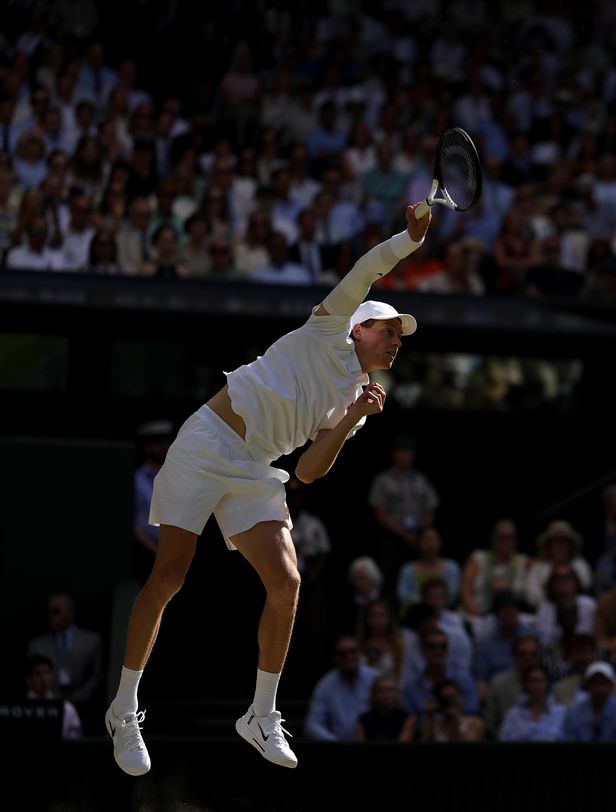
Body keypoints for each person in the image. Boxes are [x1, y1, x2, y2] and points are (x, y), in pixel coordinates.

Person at [105, 204, 430, 775]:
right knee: (170, 574)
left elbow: (307, 472)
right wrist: (410, 239)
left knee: (287, 582)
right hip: (208, 443)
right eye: (388, 330)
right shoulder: (326, 326)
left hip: (257, 467)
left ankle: (260, 714)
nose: (395, 341)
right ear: (358, 328)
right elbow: (366, 270)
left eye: (400, 336)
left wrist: (354, 418)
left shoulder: (360, 396)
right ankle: (124, 709)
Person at [369, 434, 440, 587]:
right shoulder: (384, 480)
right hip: (393, 539)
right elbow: (380, 513)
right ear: (394, 454)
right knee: (391, 579)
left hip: (418, 538)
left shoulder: (420, 479)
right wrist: (403, 534)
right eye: (402, 452)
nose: (406, 456)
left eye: (409, 452)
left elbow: (430, 507)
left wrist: (421, 531)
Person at [27, 593, 104, 722]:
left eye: (56, 611)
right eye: (49, 612)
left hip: (84, 709)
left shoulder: (91, 641)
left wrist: (77, 698)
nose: (51, 616)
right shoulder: (37, 645)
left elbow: (96, 676)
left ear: (70, 613)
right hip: (49, 709)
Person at [304, 636, 380, 743]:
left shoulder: (375, 678)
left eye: (353, 651)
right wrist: (336, 743)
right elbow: (312, 725)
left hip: (374, 744)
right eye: (342, 654)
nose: (348, 657)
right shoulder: (325, 686)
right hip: (338, 747)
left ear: (360, 653)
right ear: (334, 658)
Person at [460, 519, 528, 618]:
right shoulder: (478, 558)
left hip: (509, 619)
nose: (506, 542)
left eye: (510, 538)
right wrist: (477, 613)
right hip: (477, 615)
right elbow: (465, 591)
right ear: (493, 539)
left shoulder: (524, 562)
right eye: (501, 538)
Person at [132, 420, 174, 580]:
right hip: (147, 552)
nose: (164, 447)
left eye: (166, 443)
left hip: (175, 550)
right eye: (158, 443)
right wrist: (156, 551)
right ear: (146, 447)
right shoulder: (136, 479)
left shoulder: (174, 477)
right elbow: (132, 522)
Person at [561, 662, 616, 742]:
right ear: (587, 686)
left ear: (611, 685)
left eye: (604, 683)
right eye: (594, 683)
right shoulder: (574, 713)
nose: (599, 689)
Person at [395, 526, 461, 609]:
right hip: (414, 611)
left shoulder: (451, 567)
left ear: (440, 542)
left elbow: (452, 594)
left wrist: (435, 604)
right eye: (426, 540)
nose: (430, 544)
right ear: (418, 543)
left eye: (433, 539)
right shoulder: (407, 569)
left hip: (444, 611)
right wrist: (426, 603)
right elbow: (402, 595)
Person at [499, 664, 565, 742]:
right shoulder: (513, 715)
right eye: (532, 681)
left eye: (540, 681)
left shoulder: (561, 713)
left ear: (546, 684)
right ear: (525, 685)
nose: (536, 686)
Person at [25, 655, 83, 740]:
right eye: (37, 674)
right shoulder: (18, 709)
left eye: (46, 673)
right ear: (28, 679)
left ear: (52, 676)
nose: (43, 678)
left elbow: (75, 739)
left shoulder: (67, 708)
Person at [355, 674, 411, 742]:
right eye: (380, 691)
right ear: (374, 694)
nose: (385, 695)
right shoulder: (364, 720)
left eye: (389, 690)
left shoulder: (407, 719)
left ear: (396, 693)